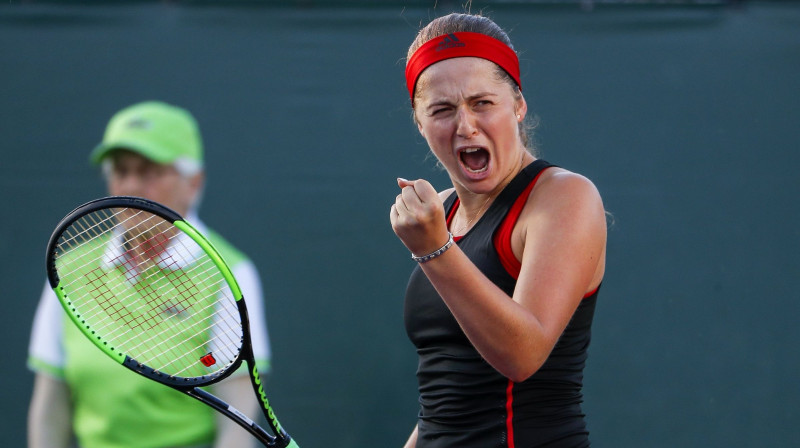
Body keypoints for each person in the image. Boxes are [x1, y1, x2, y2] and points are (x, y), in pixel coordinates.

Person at [390, 13, 607, 448]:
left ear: (518, 105)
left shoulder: (565, 196)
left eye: (482, 103)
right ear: (420, 123)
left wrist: (435, 249)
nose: (465, 125)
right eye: (442, 110)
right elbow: (446, 397)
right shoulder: (445, 215)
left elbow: (522, 355)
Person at [27, 101, 272, 448]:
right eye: (120, 171)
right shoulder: (68, 267)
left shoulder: (230, 273)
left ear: (193, 182)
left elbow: (236, 413)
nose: (131, 185)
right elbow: (50, 401)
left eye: (150, 171)